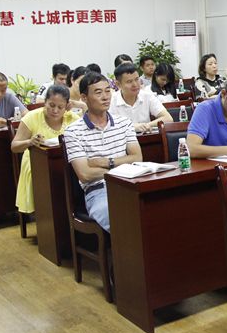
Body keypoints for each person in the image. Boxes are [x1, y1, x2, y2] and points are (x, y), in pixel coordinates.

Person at [64, 71, 142, 232]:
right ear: (84, 98)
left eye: (108, 91)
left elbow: (137, 158)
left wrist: (107, 162)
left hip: (130, 186)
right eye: (98, 92)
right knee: (124, 219)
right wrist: (123, 167)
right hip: (98, 192)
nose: (105, 97)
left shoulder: (124, 123)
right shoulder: (73, 131)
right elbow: (85, 174)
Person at [11, 85, 79, 215]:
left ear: (66, 106)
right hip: (36, 162)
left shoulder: (73, 119)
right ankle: (46, 214)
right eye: (51, 105)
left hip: (65, 161)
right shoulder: (31, 117)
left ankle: (69, 213)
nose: (55, 110)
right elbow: (14, 146)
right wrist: (30, 142)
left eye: (60, 107)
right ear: (45, 102)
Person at [109, 62, 172, 133]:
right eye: (129, 81)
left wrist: (145, 126)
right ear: (118, 84)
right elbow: (108, 126)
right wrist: (133, 127)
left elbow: (168, 118)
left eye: (137, 79)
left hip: (146, 137)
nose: (135, 84)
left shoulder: (147, 96)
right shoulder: (111, 101)